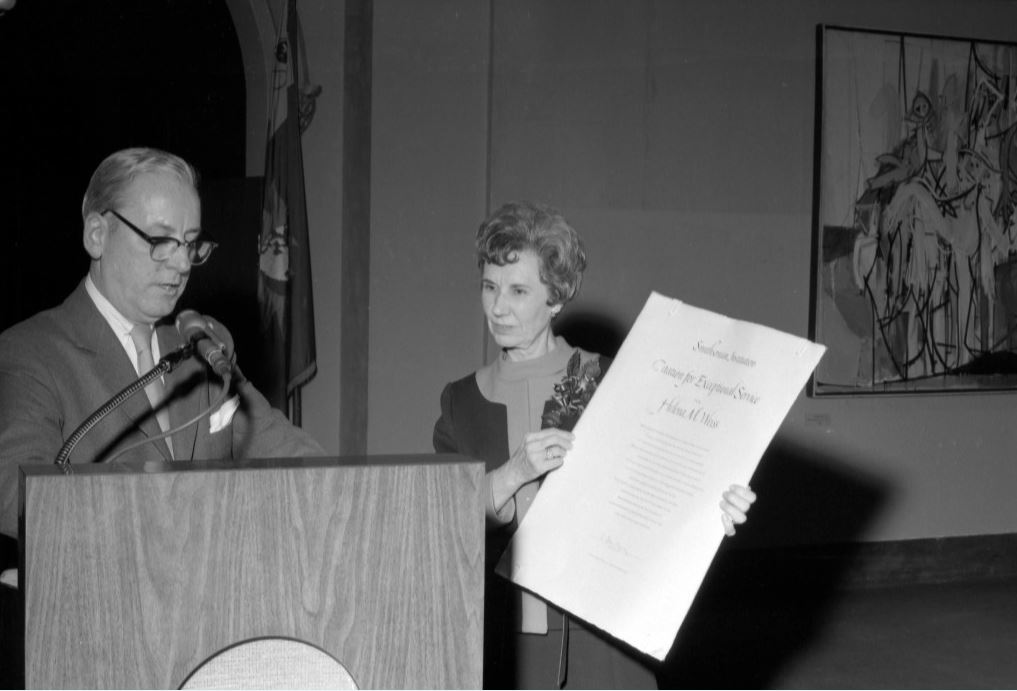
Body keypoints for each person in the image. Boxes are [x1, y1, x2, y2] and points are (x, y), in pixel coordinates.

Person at [433, 201, 757, 689]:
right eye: (490, 286)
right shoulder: (460, 402)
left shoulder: (610, 380)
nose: (498, 307)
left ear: (556, 298)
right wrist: (512, 473)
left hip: (603, 629)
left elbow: (661, 490)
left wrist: (715, 511)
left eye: (519, 290)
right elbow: (444, 520)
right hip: (500, 633)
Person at [0, 147, 326, 539]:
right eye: (160, 239)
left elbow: (273, 443)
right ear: (97, 235)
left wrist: (346, 490)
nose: (183, 264)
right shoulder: (32, 351)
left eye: (190, 244)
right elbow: (14, 494)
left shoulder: (202, 347)